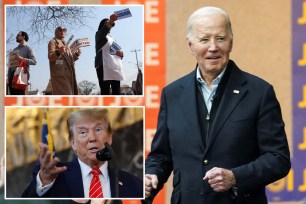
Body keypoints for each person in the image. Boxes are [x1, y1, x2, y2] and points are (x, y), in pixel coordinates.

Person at [145, 6, 291, 204]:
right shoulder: (172, 94)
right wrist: (150, 176)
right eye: (204, 39)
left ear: (231, 42)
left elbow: (278, 159)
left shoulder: (259, 92)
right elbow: (160, 157)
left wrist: (235, 177)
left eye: (220, 38)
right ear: (190, 46)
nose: (213, 47)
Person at [22, 109, 143, 198]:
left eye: (98, 130)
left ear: (110, 137)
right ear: (73, 143)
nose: (92, 138)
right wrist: (44, 181)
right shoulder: (53, 178)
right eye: (83, 132)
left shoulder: (133, 183)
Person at [95, 14, 125, 95]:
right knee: (105, 92)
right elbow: (104, 30)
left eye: (109, 23)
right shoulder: (99, 34)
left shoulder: (112, 37)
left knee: (116, 91)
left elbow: (116, 50)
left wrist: (121, 54)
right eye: (106, 23)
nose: (108, 24)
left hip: (114, 66)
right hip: (103, 66)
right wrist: (111, 21)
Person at [48, 26, 81, 95]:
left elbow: (69, 60)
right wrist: (58, 52)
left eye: (64, 30)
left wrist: (76, 55)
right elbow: (50, 57)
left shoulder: (67, 45)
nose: (62, 31)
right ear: (56, 32)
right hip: (60, 75)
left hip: (70, 74)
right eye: (60, 29)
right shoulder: (53, 42)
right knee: (66, 96)